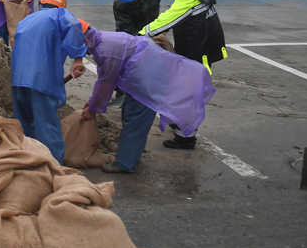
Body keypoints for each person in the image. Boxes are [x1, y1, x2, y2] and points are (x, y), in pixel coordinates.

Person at [79, 22, 216, 173]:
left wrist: (92, 108)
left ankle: (125, 163)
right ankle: (132, 154)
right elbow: (105, 79)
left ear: (82, 40)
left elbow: (106, 83)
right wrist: (93, 103)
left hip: (147, 76)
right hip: (143, 70)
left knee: (136, 118)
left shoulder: (104, 50)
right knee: (130, 113)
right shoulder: (102, 39)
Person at [139, 0, 227, 149]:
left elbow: (169, 17)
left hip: (199, 50)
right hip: (200, 46)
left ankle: (186, 138)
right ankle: (181, 126)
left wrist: (140, 35)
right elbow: (179, 13)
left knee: (188, 91)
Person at [11, 0, 86, 164]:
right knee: (47, 125)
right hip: (41, 80)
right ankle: (53, 165)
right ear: (61, 6)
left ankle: (27, 161)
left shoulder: (27, 20)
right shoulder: (59, 14)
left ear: (41, 3)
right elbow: (74, 25)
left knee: (25, 124)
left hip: (18, 79)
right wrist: (78, 58)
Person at [110, 0, 167, 106]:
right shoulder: (120, 4)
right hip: (135, 31)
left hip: (154, 27)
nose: (130, 2)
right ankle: (121, 92)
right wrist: (142, 40)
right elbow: (126, 31)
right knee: (126, 57)